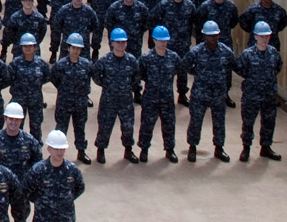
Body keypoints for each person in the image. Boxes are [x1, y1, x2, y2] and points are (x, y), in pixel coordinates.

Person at [183, 21, 233, 162]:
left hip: (218, 94)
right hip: (200, 93)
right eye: (209, 36)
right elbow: (185, 65)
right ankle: (192, 147)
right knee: (196, 121)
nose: (212, 38)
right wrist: (197, 73)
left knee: (219, 122)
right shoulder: (196, 52)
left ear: (218, 34)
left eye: (215, 35)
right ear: (204, 36)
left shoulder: (225, 51)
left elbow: (231, 66)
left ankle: (219, 148)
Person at [234, 21, 284, 161]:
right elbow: (240, 69)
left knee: (269, 122)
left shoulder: (273, 53)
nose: (264, 39)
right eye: (261, 36)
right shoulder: (247, 54)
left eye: (267, 36)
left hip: (269, 95)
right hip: (251, 95)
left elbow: (278, 67)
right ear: (255, 37)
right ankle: (246, 148)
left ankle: (266, 147)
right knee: (248, 122)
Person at [90, 26, 140, 164]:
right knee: (105, 126)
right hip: (108, 100)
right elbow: (95, 75)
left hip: (126, 100)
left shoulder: (131, 60)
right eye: (118, 42)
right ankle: (100, 150)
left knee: (128, 126)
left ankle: (128, 150)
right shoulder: (104, 60)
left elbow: (136, 77)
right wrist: (106, 85)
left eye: (123, 42)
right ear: (112, 43)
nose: (120, 44)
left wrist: (128, 87)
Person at [136, 27, 181, 164]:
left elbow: (179, 71)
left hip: (167, 98)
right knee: (147, 125)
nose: (162, 43)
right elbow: (140, 74)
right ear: (154, 40)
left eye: (165, 41)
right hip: (151, 98)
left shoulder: (173, 57)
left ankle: (169, 149)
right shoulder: (146, 58)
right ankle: (144, 149)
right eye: (160, 40)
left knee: (169, 124)